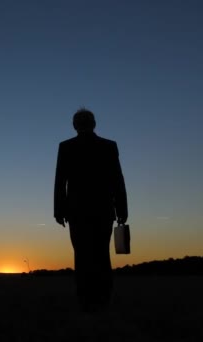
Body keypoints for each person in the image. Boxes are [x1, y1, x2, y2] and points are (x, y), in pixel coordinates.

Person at [53, 108, 128, 313]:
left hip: (77, 211)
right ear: (93, 124)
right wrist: (122, 208)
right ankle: (103, 298)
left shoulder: (66, 147)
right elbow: (117, 180)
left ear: (75, 125)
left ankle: (86, 299)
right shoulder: (108, 146)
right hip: (102, 209)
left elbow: (61, 182)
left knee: (83, 255)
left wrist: (59, 211)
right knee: (101, 254)